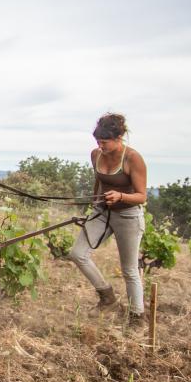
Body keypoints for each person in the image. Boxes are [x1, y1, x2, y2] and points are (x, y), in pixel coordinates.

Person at [68, 113, 148, 323]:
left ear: (118, 137)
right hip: (102, 212)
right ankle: (108, 298)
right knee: (77, 254)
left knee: (129, 270)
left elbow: (142, 196)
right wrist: (94, 203)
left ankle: (137, 316)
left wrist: (121, 195)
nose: (100, 145)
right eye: (98, 141)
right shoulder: (96, 154)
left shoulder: (133, 158)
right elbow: (99, 182)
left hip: (128, 216)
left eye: (104, 142)